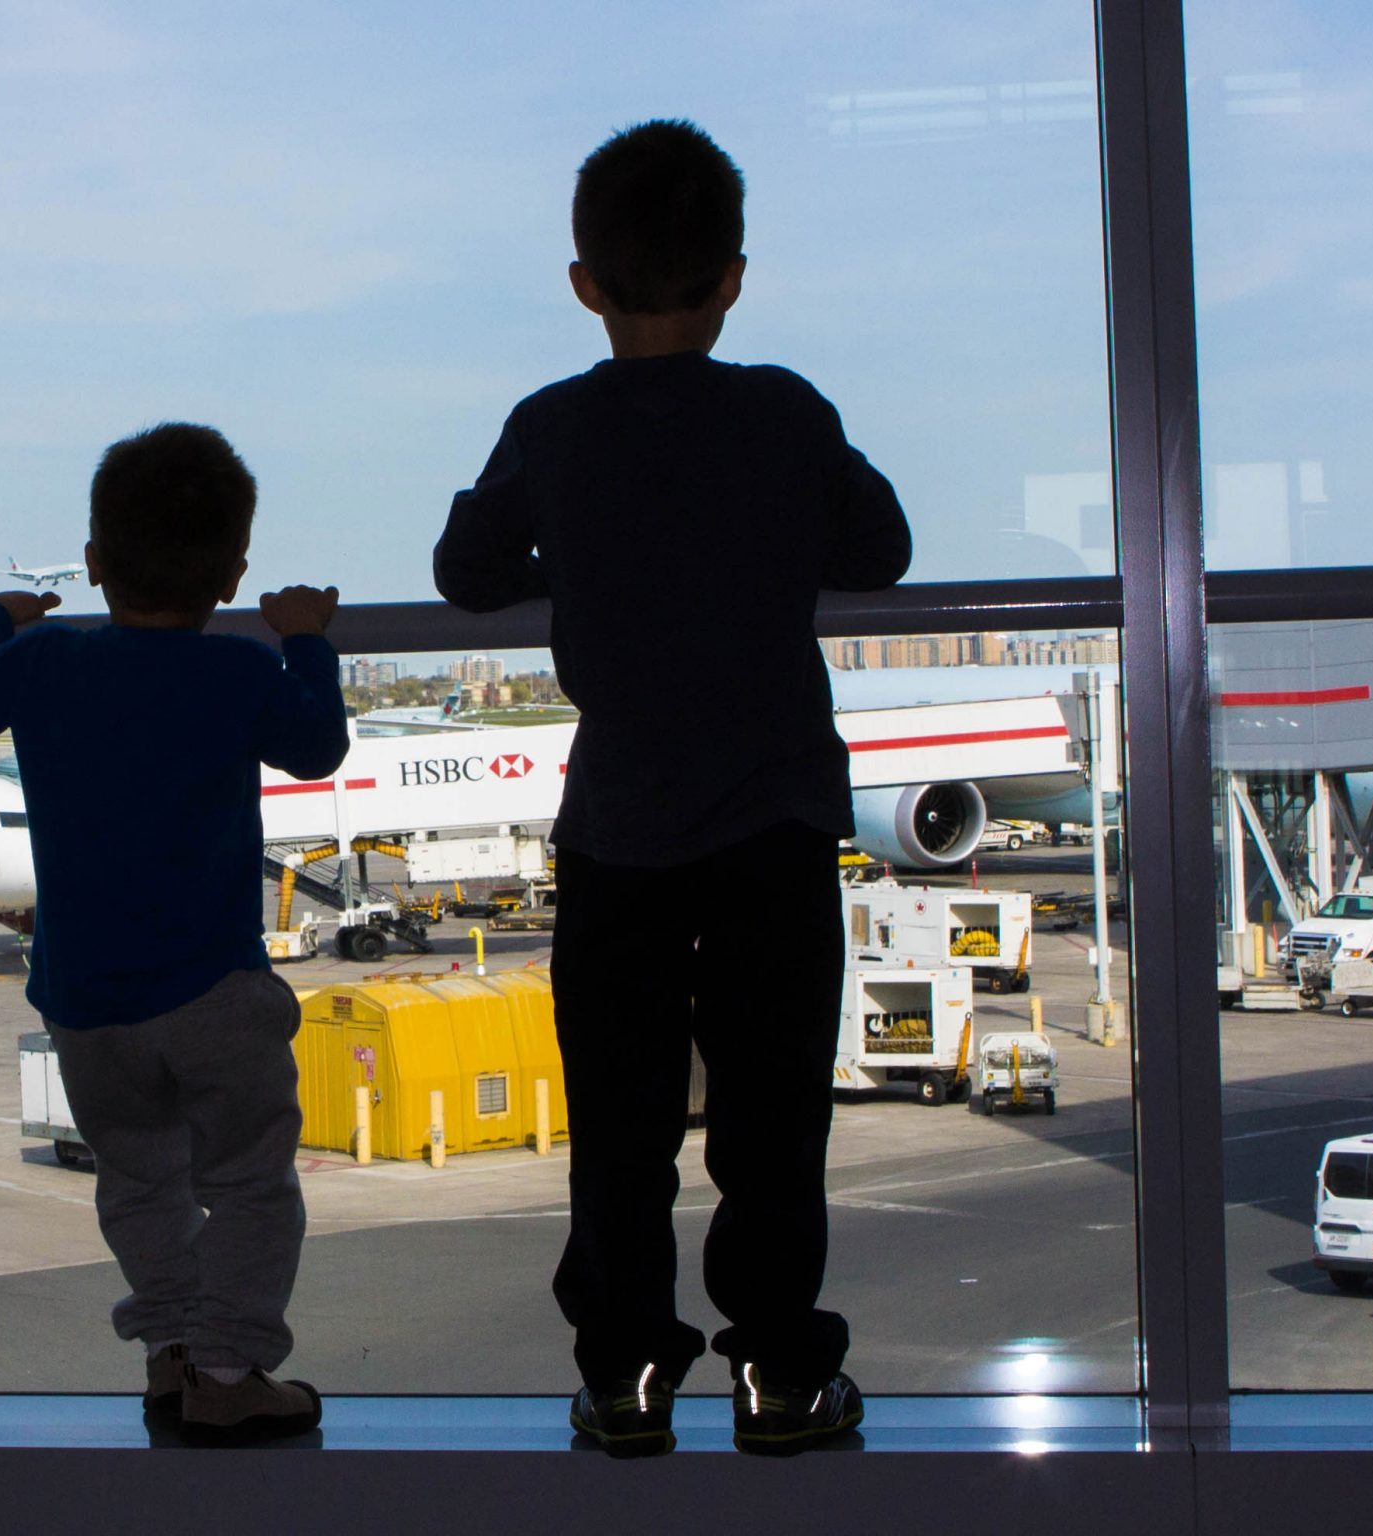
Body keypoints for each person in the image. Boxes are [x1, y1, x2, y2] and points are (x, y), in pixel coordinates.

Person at [434, 120, 911, 1457]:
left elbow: (468, 570)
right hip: (771, 827)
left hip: (622, 833)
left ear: (585, 282)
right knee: (771, 1125)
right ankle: (780, 1378)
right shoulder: (782, 413)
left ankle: (628, 1377)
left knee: (623, 1134)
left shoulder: (553, 427)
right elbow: (880, 545)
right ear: (733, 279)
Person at [0, 422, 347, 1446]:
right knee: (248, 1179)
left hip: (88, 1001)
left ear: (99, 562)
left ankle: (169, 1350)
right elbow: (317, 745)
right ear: (234, 572)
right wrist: (304, 636)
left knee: (140, 1175)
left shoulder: (46, 659)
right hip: (212, 988)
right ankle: (229, 1367)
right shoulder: (240, 674)